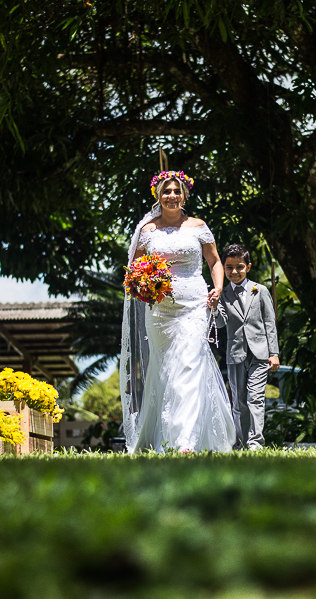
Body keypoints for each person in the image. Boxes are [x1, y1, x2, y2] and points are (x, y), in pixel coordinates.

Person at [120, 168, 237, 453]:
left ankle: (185, 440)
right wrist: (144, 284)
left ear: (185, 195)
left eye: (176, 191)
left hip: (195, 305)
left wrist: (218, 288)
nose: (172, 196)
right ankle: (158, 433)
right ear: (158, 196)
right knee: (163, 371)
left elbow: (215, 262)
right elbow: (133, 272)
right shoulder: (147, 231)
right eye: (166, 191)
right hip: (159, 311)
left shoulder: (198, 226)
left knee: (189, 364)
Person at [214, 244, 279, 450]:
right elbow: (220, 324)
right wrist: (214, 308)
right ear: (223, 268)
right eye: (229, 267)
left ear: (248, 267)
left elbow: (270, 323)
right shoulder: (223, 294)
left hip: (260, 354)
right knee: (239, 402)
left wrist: (274, 353)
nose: (234, 272)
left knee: (255, 399)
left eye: (239, 267)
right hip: (235, 354)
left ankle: (255, 443)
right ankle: (240, 443)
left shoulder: (260, 291)